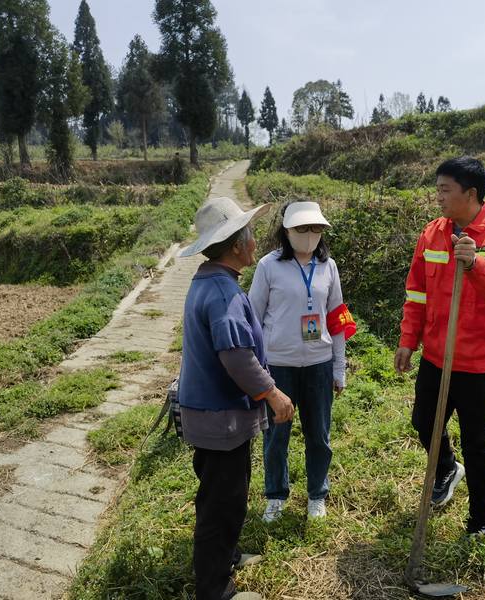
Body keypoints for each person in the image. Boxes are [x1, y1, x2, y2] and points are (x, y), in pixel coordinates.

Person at [394, 157, 485, 540]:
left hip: (479, 362)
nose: (438, 197)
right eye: (437, 189)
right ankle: (446, 469)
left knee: (477, 442)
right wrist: (408, 340)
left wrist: (476, 266)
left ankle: (483, 521)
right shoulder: (432, 234)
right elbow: (417, 293)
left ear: (470, 193)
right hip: (437, 355)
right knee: (424, 422)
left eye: (445, 190)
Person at [177, 196, 295, 600]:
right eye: (250, 235)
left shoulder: (211, 281)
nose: (254, 241)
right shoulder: (222, 293)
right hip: (220, 420)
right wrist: (273, 394)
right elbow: (237, 358)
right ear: (235, 246)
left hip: (216, 419)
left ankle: (225, 557)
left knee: (224, 496)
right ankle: (214, 589)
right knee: (221, 505)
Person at [249, 200, 356, 523]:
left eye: (316, 228)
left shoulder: (328, 267)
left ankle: (317, 495)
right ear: (287, 231)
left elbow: (337, 319)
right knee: (276, 436)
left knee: (319, 434)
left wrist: (338, 368)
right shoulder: (269, 266)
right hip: (278, 365)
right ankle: (275, 496)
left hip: (319, 363)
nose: (309, 234)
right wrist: (257, 370)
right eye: (302, 228)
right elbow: (253, 318)